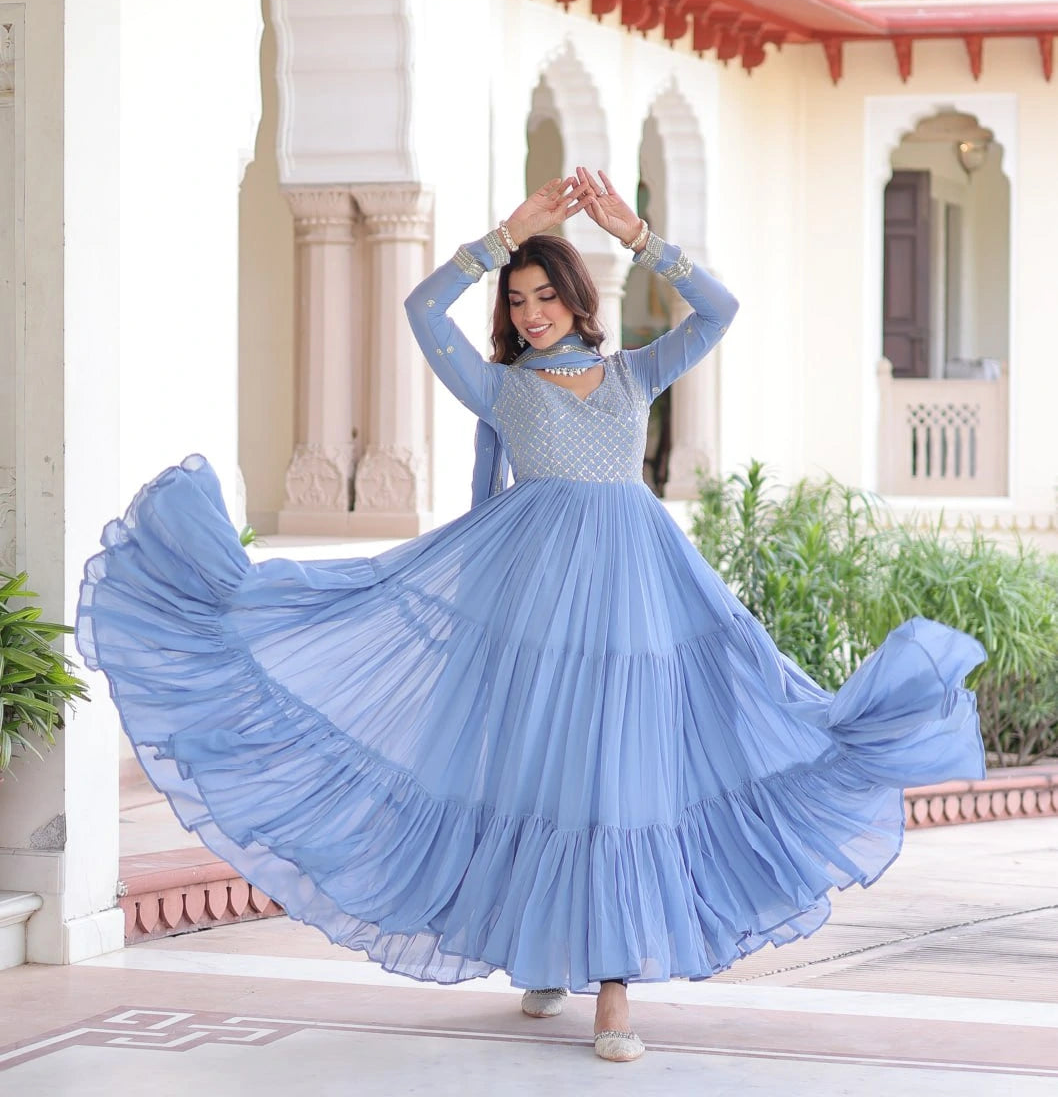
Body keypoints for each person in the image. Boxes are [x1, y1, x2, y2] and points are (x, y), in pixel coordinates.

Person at [76, 168, 985, 1065]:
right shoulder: (502, 389)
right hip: (535, 611)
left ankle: (615, 991)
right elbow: (423, 312)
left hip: (638, 607)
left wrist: (638, 236)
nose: (532, 312)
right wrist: (502, 237)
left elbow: (719, 310)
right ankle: (549, 954)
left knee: (618, 782)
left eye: (546, 295)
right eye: (518, 301)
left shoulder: (633, 374)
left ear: (578, 298)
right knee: (545, 784)